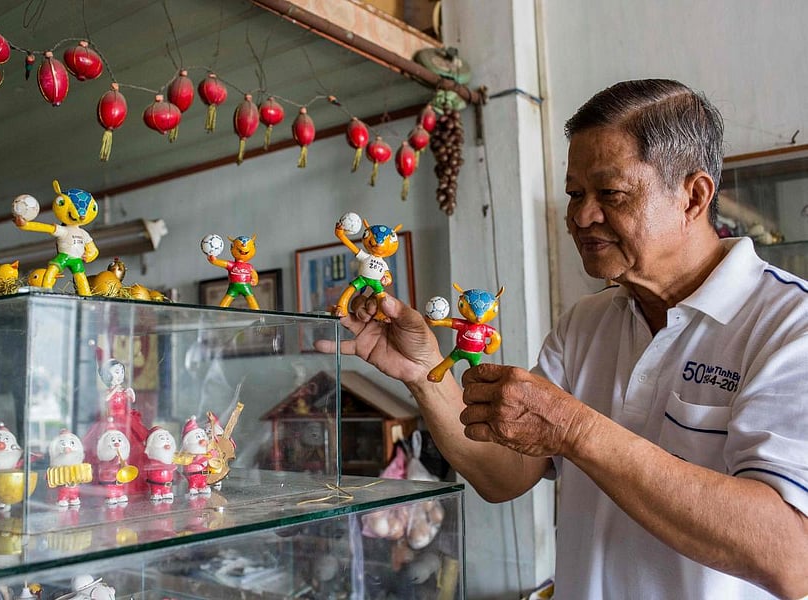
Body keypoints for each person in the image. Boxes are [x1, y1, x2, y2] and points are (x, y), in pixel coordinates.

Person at [318, 79, 808, 599]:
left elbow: (790, 555)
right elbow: (504, 474)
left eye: (610, 194)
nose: (581, 216)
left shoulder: (787, 326)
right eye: (575, 194)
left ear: (692, 196)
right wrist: (424, 374)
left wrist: (575, 430)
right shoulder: (585, 324)